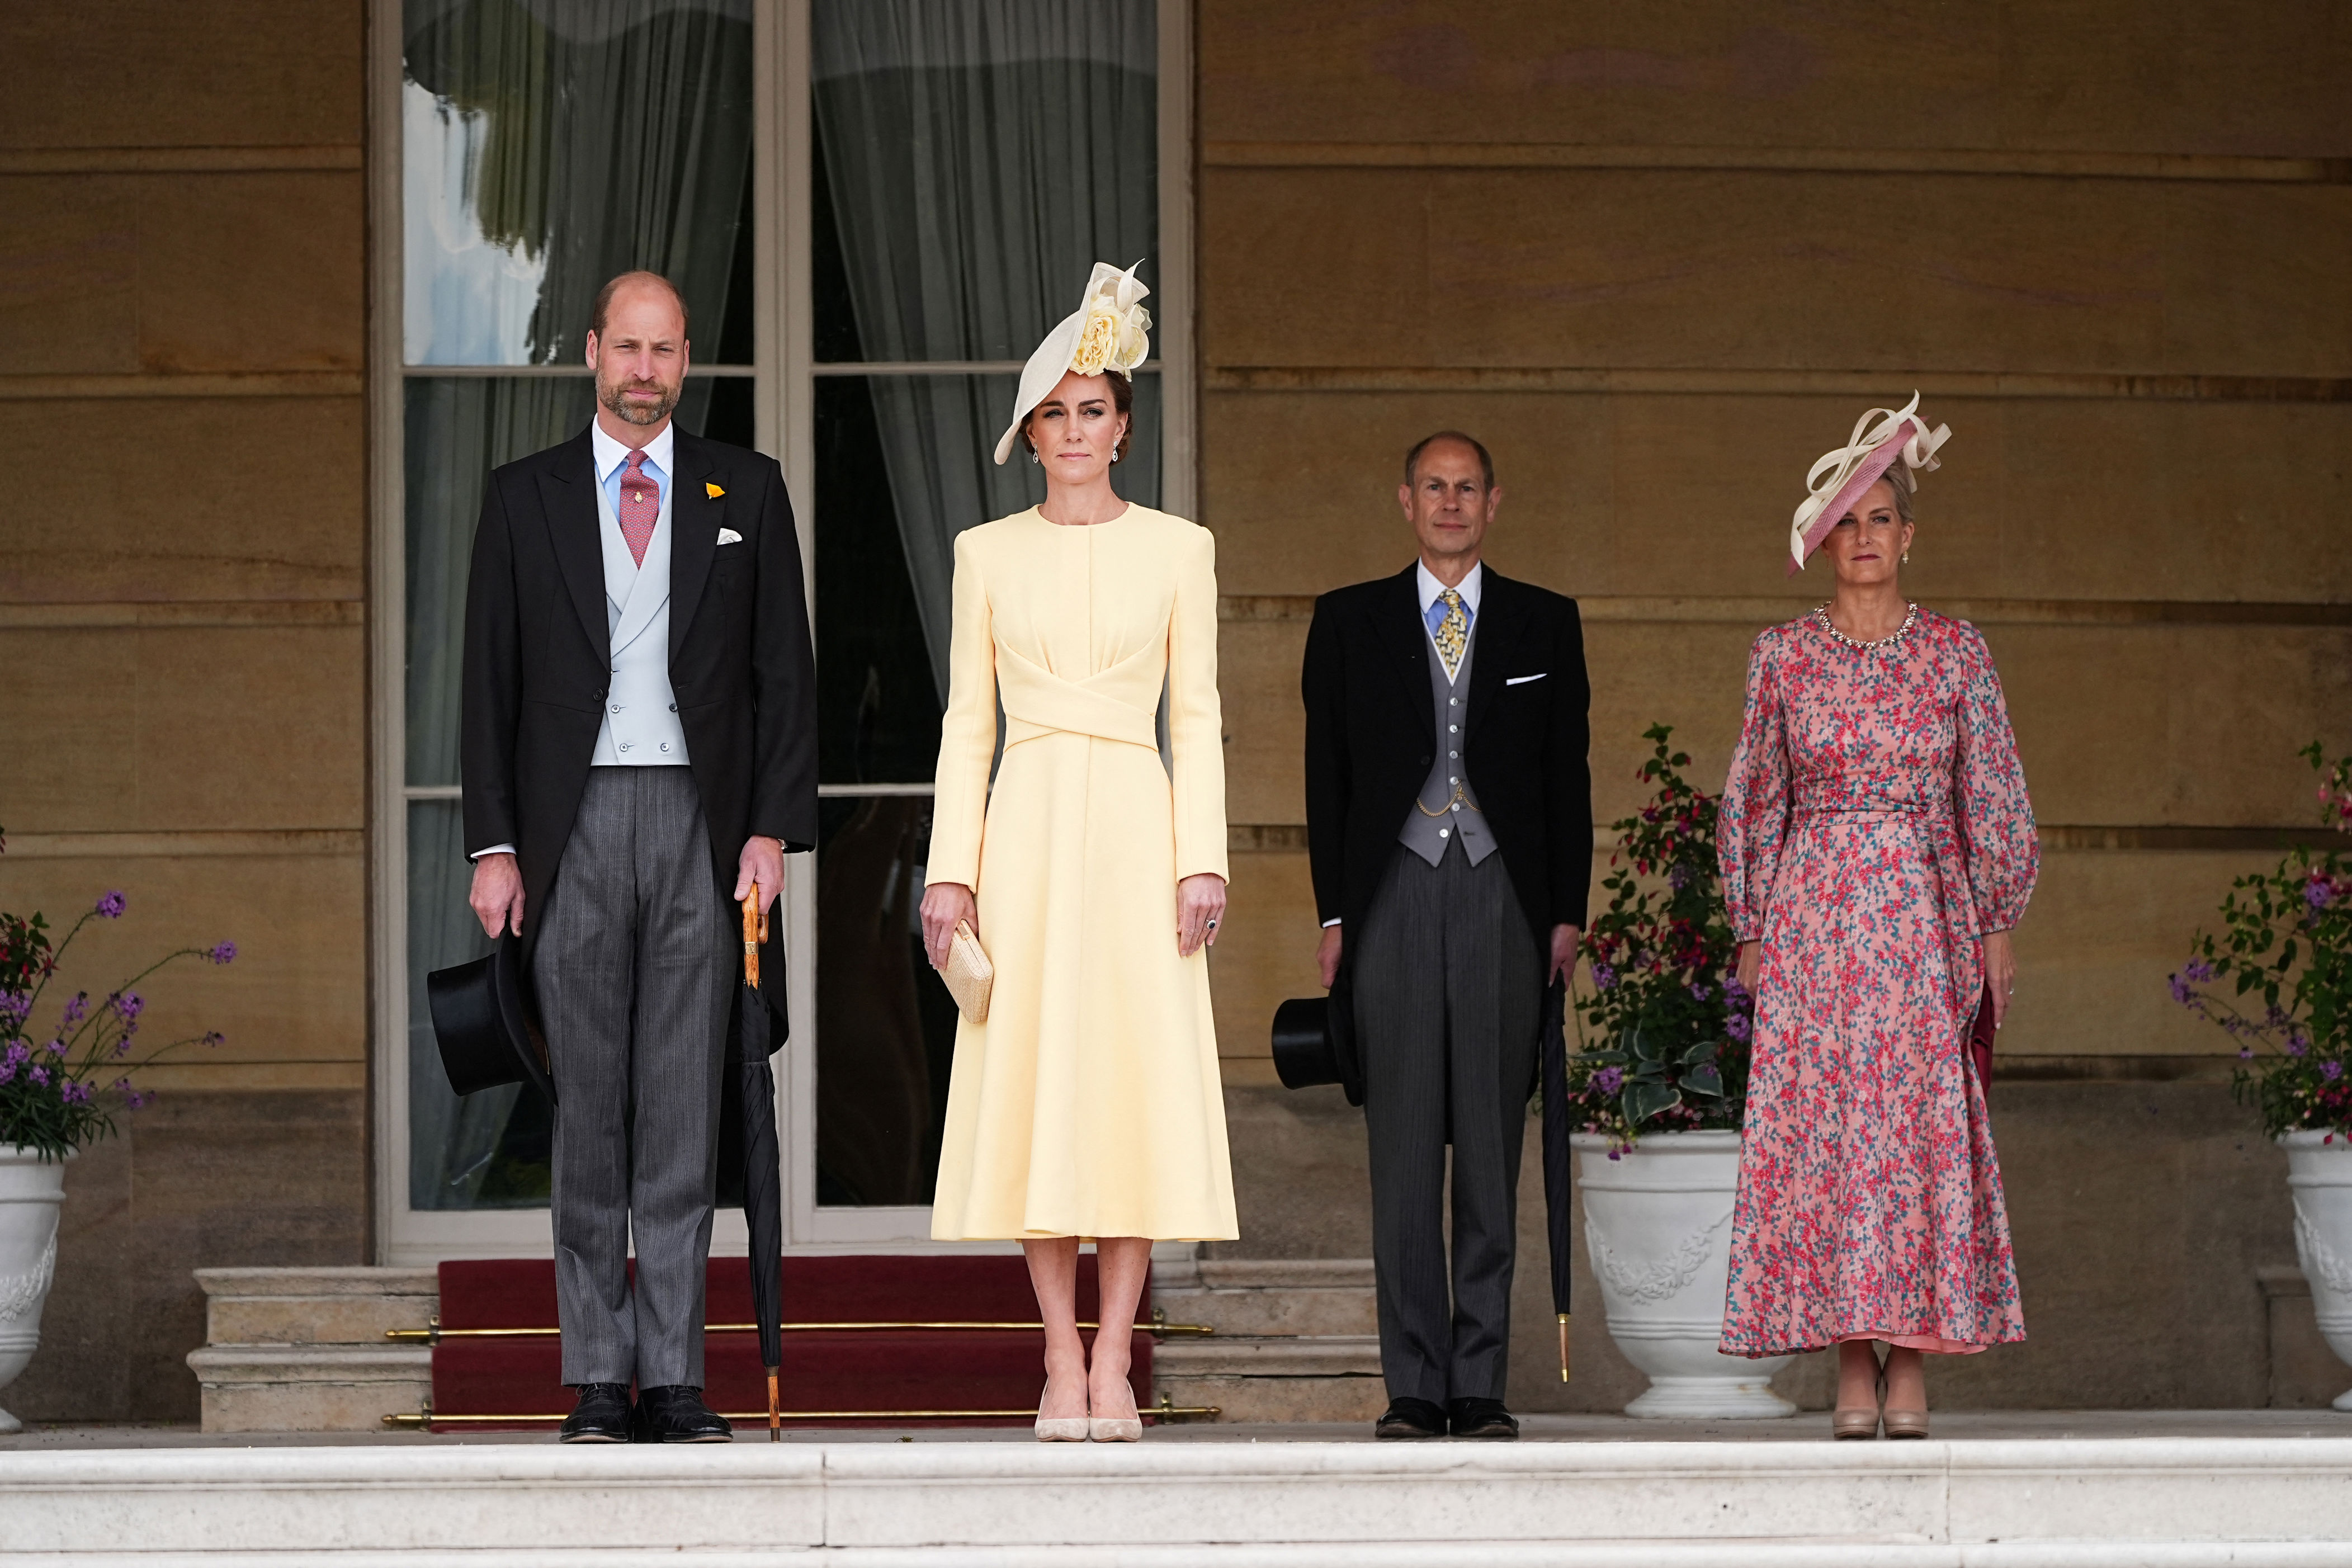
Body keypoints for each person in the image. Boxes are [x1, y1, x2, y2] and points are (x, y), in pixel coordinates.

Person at [460, 271, 818, 1443]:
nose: (647, 370)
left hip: (702, 830)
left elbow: (783, 677)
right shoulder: (524, 498)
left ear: (686, 357)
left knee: (680, 1109)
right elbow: (489, 686)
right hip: (571, 830)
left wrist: (769, 828)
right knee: (589, 1113)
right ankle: (599, 1377)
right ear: (591, 352)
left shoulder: (746, 490)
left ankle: (673, 1373)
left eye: (666, 350)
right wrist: (497, 843)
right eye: (629, 347)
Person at [919, 263, 1236, 1443]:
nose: (1073, 431)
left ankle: (1117, 1357)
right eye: (1053, 411)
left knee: (1134, 1084)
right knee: (1038, 1087)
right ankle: (1060, 1358)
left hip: (1139, 827)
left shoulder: (1180, 548)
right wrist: (950, 870)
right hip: (1029, 827)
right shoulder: (984, 552)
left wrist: (1200, 856)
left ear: (1124, 425)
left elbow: (1196, 713)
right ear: (1030, 429)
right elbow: (966, 723)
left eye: (1092, 408)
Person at [1717, 395, 2039, 1441]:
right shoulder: (1783, 656)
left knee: (1911, 1144)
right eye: (1845, 521)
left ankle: (1910, 1360)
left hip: (1922, 923)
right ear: (1825, 540)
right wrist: (1752, 927)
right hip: (1813, 926)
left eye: (1881, 518)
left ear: (1909, 535)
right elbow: (1754, 799)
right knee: (1830, 1145)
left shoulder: (1955, 653)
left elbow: (1989, 789)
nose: (1864, 538)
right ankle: (1849, 1360)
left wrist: (1995, 925)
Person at [1301, 432, 1592, 1441]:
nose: (1451, 503)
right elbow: (1325, 779)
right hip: (1392, 894)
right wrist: (1334, 914)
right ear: (1405, 500)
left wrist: (1565, 912)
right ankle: (1413, 1385)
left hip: (1503, 896)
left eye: (1468, 488)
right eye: (1435, 486)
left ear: (1493, 503)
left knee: (1487, 1149)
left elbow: (1567, 778)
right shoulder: (1346, 623)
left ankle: (1479, 1381)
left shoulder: (1547, 624)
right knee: (1402, 1150)